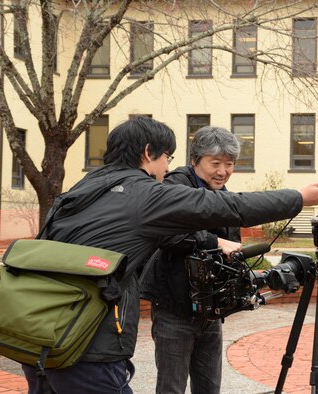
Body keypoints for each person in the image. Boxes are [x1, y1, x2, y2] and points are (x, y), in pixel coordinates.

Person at [21, 116, 318, 394]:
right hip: (89, 346)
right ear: (147, 153)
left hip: (40, 335)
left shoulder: (84, 187)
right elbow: (234, 208)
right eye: (166, 157)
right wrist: (299, 198)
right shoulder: (146, 194)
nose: (167, 167)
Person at [141, 126, 243, 394]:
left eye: (229, 164)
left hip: (210, 310)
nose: (223, 171)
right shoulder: (174, 186)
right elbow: (170, 236)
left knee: (209, 387)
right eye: (216, 163)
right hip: (174, 309)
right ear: (195, 161)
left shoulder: (224, 195)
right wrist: (218, 242)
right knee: (172, 387)